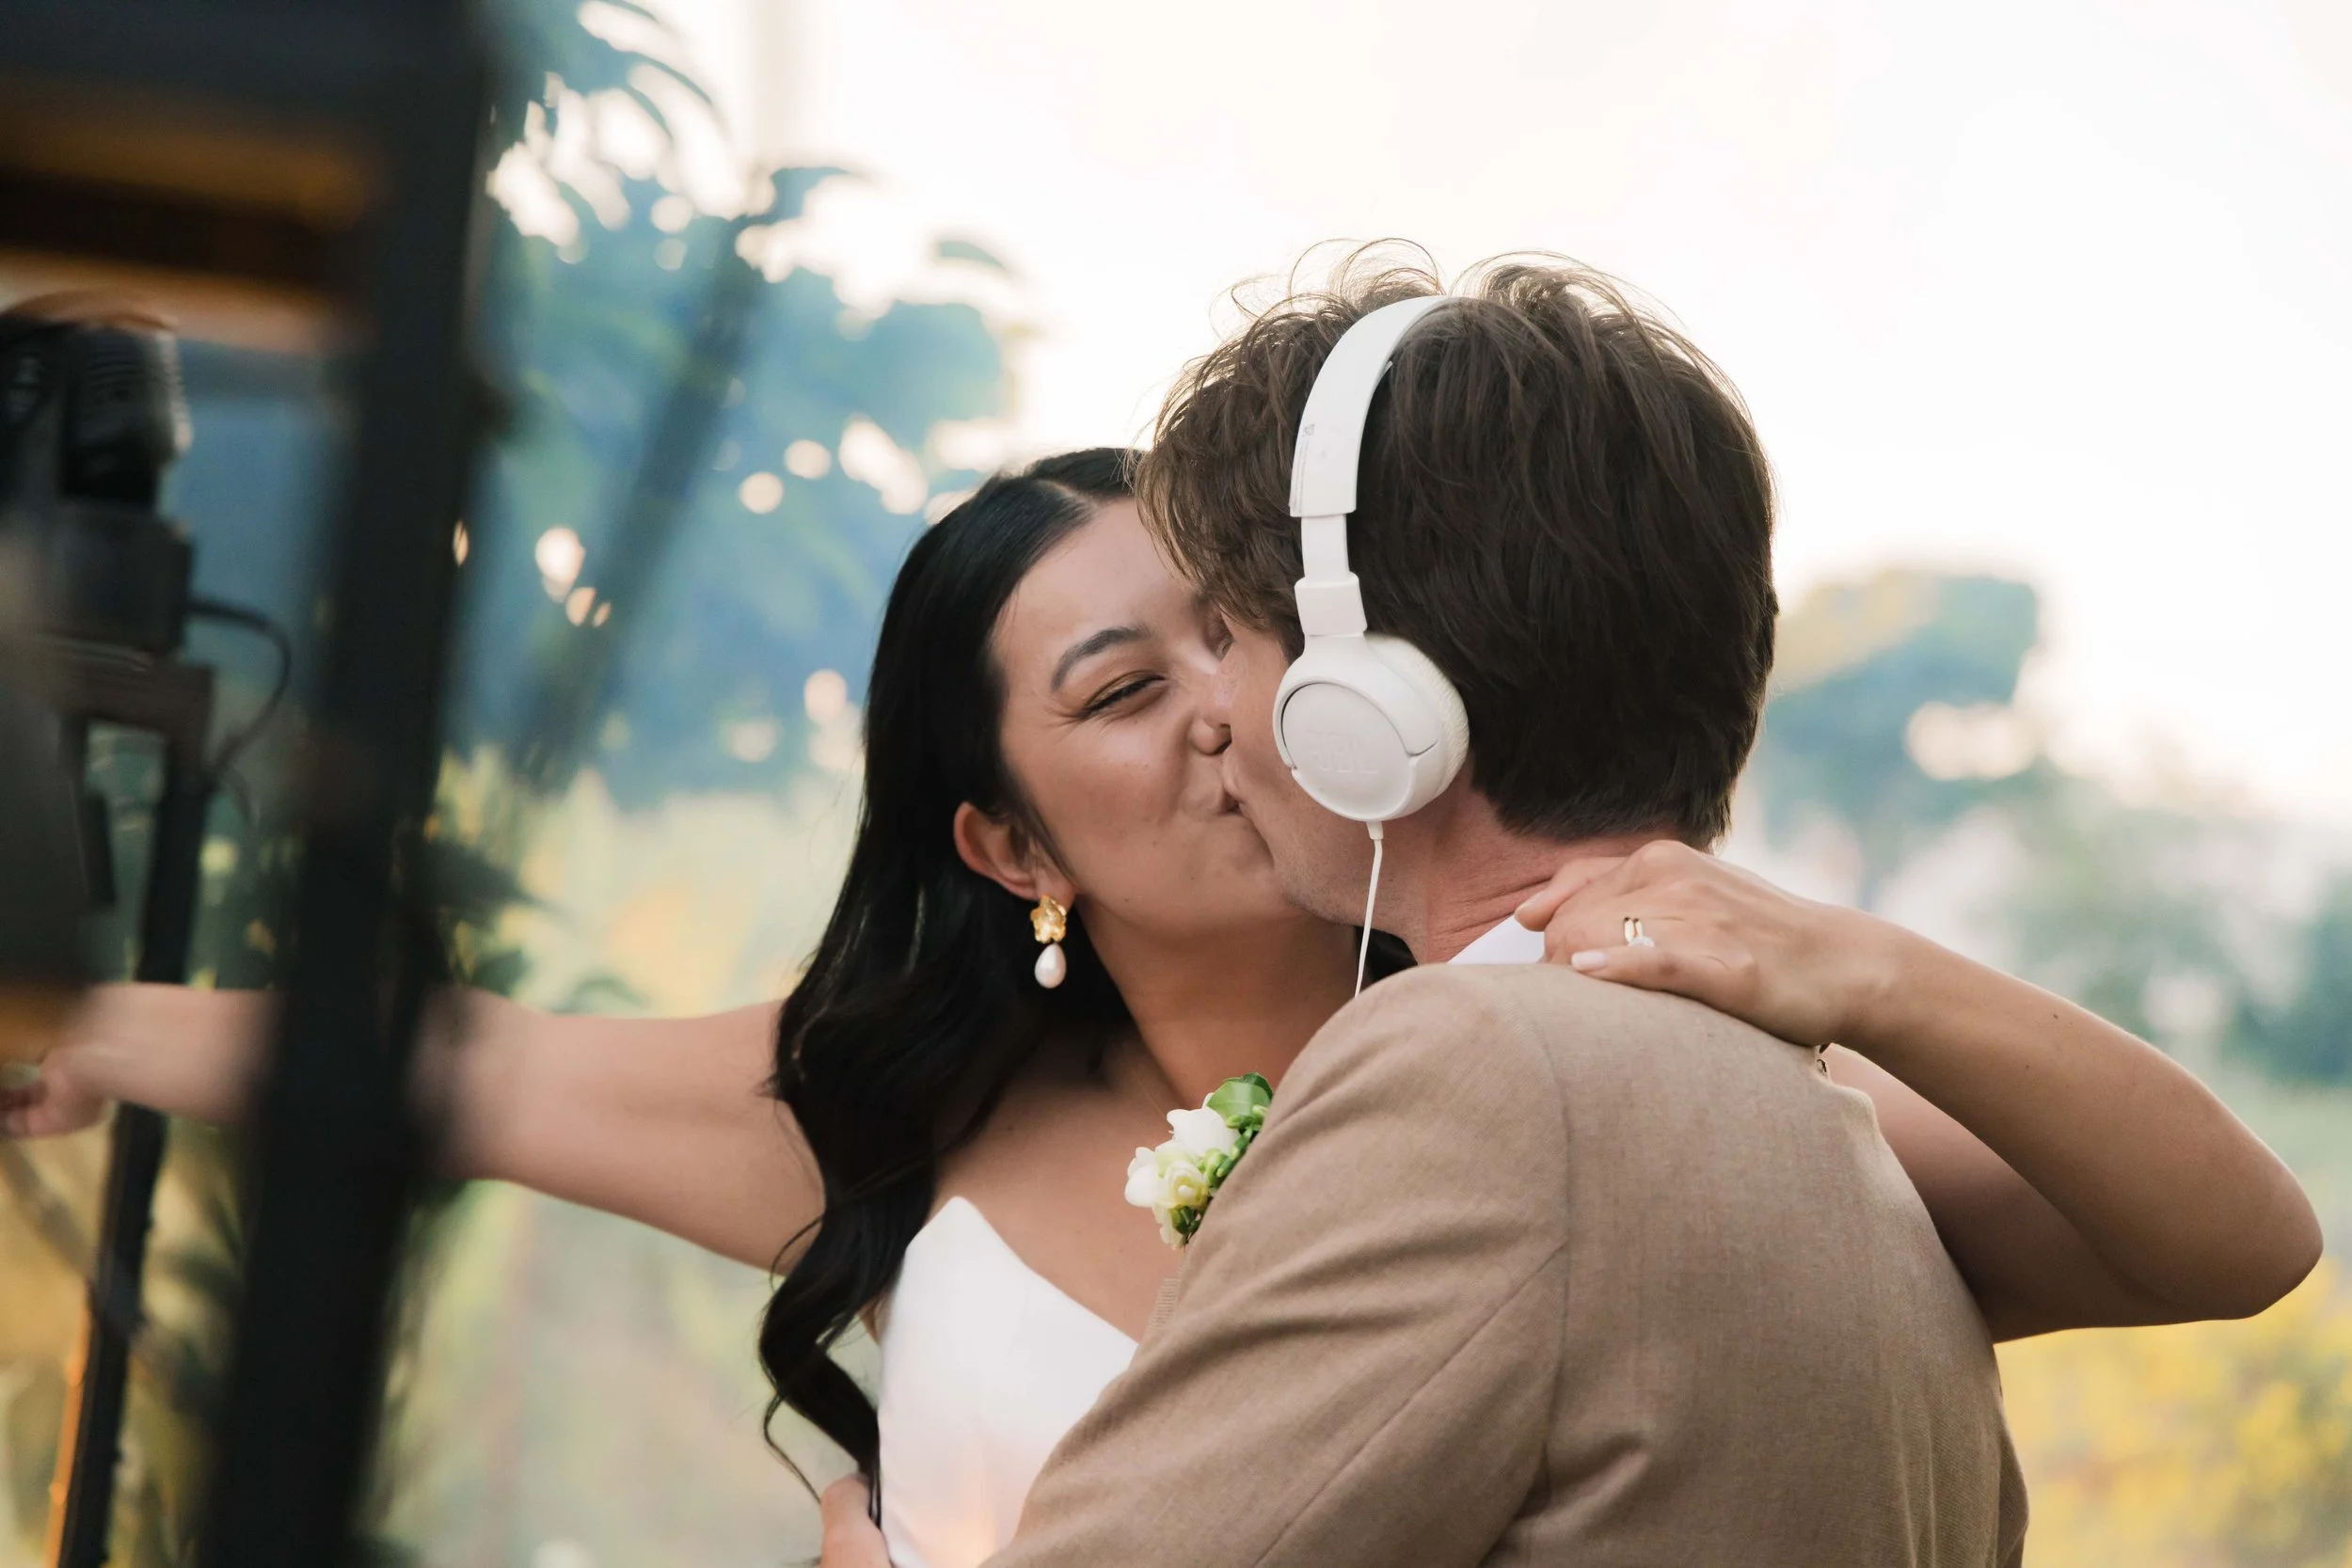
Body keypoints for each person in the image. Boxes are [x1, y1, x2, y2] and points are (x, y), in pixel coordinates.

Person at [5, 425, 2314, 1566]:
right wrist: (75, 1029)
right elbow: (445, 1065)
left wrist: (1857, 968)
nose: (1215, 708)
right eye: (1120, 684)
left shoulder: (1598, 1053)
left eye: (1230, 631)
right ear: (1000, 841)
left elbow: (2232, 1235)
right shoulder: (889, 1127)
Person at [816, 259, 2323, 1568]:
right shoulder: (1792, 1102)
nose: (1215, 711)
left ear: (1369, 705)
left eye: (1233, 636)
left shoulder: (1477, 1070)